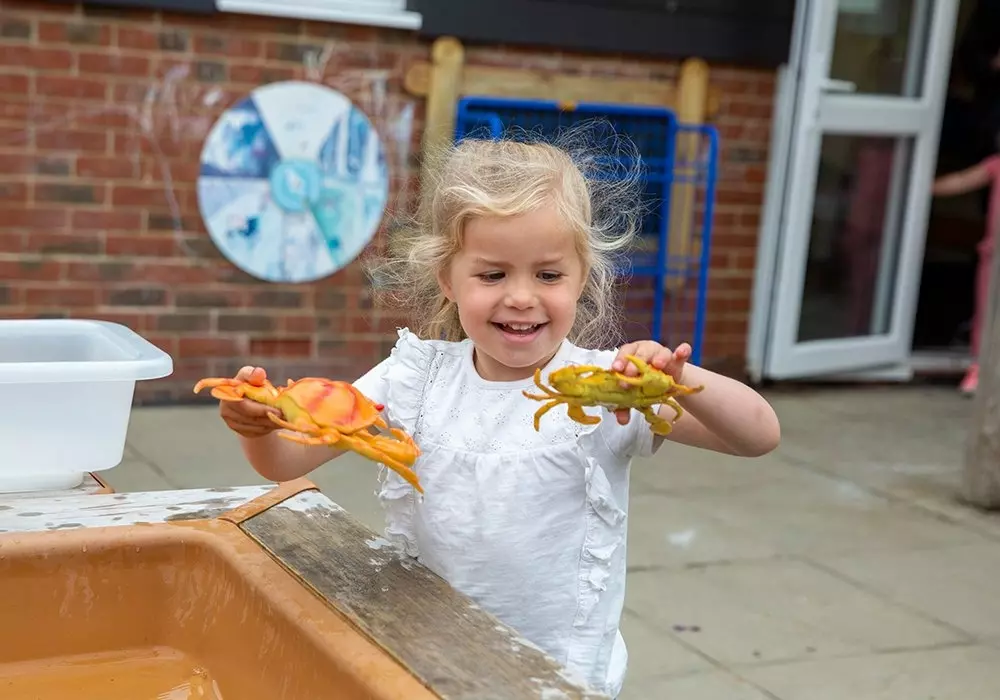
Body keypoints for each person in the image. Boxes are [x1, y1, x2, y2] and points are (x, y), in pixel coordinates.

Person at [211, 127, 781, 698]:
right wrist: (260, 425)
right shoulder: (415, 376)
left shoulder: (608, 388)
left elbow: (757, 435)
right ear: (448, 278)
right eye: (492, 274)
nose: (521, 297)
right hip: (428, 658)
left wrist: (680, 381)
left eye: (549, 274)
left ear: (582, 278)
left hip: (555, 676)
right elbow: (285, 462)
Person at [932, 143, 1000, 395]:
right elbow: (961, 180)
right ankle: (980, 368)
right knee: (986, 315)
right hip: (995, 256)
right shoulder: (996, 164)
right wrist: (923, 186)